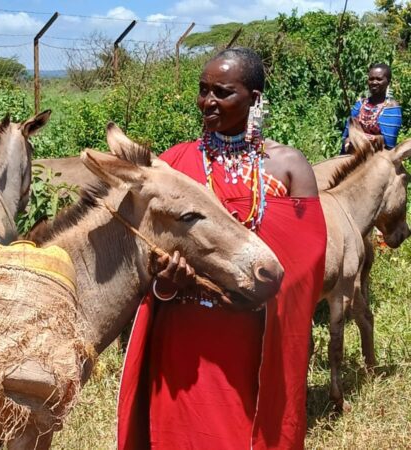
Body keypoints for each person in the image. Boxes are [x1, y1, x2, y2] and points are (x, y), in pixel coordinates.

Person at [117, 48, 327, 450]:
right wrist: (166, 284)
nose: (208, 102)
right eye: (203, 90)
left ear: (255, 98)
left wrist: (250, 296)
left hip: (254, 340)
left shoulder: (288, 167)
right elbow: (143, 250)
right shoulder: (174, 166)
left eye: (222, 92)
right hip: (183, 340)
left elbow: (307, 263)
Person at [342, 63, 402, 152]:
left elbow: (389, 145)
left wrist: (364, 139)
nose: (374, 82)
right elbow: (346, 136)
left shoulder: (391, 108)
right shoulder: (359, 105)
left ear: (388, 82)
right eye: (371, 79)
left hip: (379, 159)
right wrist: (348, 143)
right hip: (353, 156)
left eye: (379, 79)